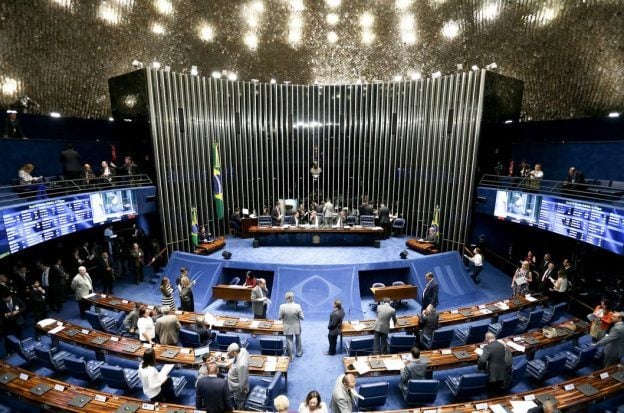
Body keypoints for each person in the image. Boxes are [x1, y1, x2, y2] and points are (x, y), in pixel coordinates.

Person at [478, 332, 512, 396]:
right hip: (506, 373)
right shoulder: (507, 350)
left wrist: (479, 368)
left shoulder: (488, 347)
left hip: (496, 377)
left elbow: (482, 360)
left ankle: (492, 392)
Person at [279, 291, 304, 360]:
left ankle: (291, 356)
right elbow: (302, 317)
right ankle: (299, 352)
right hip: (296, 326)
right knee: (298, 339)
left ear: (285, 298)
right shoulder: (298, 306)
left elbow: (279, 317)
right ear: (292, 298)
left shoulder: (282, 306)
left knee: (289, 341)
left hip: (287, 326)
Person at [224, 342, 250, 409]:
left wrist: (242, 391)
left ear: (234, 352)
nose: (228, 354)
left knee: (239, 401)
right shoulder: (242, 350)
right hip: (234, 383)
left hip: (237, 388)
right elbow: (233, 360)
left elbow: (243, 381)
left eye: (229, 353)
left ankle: (240, 409)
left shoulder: (242, 365)